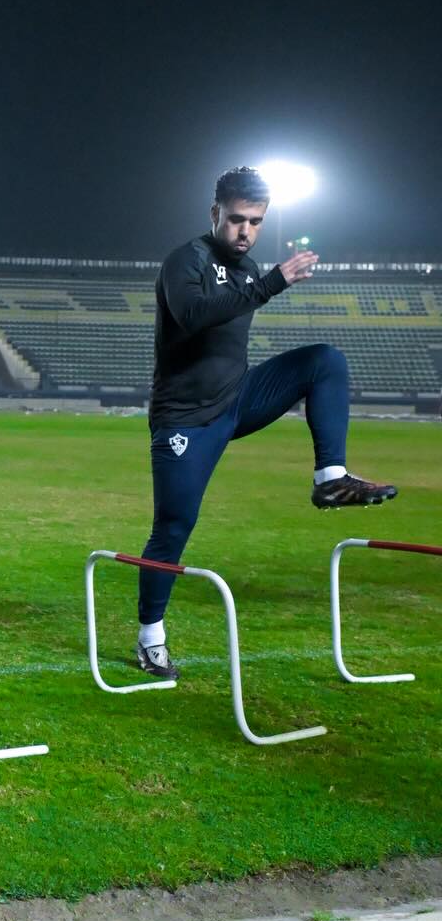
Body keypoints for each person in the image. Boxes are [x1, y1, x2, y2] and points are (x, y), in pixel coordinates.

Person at [136, 164, 397, 678]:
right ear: (215, 212)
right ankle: (150, 638)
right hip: (186, 419)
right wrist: (272, 282)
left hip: (238, 398)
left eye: (255, 222)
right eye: (237, 219)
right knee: (173, 526)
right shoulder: (185, 260)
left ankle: (331, 479)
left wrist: (263, 281)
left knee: (324, 361)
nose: (245, 231)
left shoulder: (249, 269)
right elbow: (193, 315)